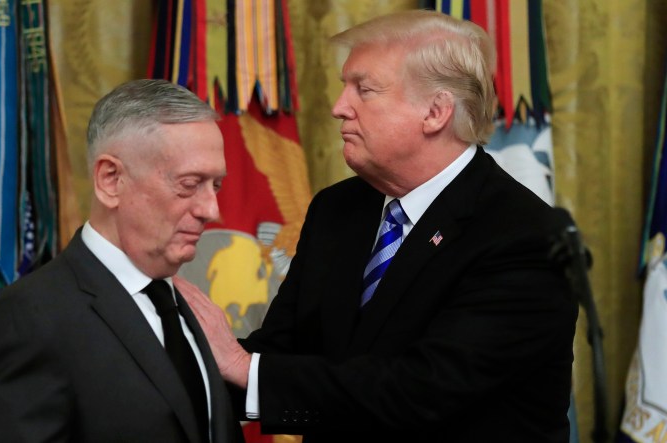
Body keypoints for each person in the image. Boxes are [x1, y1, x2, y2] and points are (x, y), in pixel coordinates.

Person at [176, 9, 578, 443]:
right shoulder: (336, 209)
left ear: (435, 112)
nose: (338, 107)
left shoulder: (521, 236)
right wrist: (169, 372)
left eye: (363, 90)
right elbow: (285, 351)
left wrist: (242, 368)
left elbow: (422, 391)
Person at [0, 79, 245, 443]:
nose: (212, 210)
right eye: (189, 184)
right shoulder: (29, 318)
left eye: (215, 185)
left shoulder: (188, 307)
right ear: (111, 179)